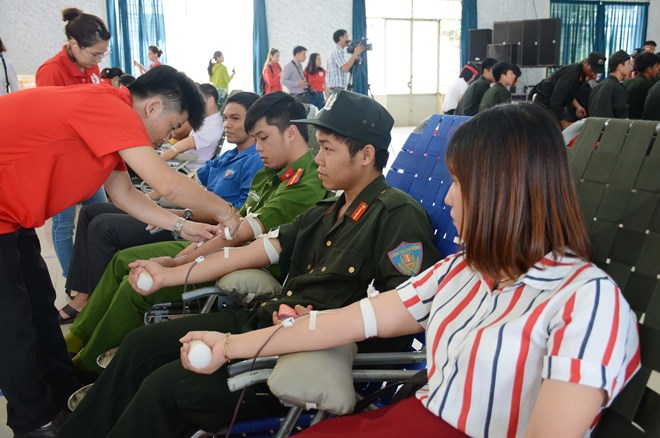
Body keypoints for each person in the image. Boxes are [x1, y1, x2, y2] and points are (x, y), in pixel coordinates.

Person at [180, 103, 640, 437]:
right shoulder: (464, 270)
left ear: (505, 190)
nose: (447, 198)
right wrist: (228, 346)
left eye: (460, 183)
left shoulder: (586, 302)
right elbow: (346, 321)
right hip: (418, 415)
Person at [57, 90, 442, 437]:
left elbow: (404, 310)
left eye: (327, 149)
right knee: (141, 345)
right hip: (268, 319)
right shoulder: (327, 210)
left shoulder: (396, 216)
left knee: (168, 386)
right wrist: (169, 274)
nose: (318, 158)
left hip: (312, 351)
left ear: (366, 155)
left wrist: (323, 323)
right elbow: (250, 252)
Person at [0, 64, 241, 437]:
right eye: (173, 126)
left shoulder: (109, 117)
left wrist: (183, 225)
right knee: (11, 323)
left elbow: (124, 194)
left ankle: (63, 393)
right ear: (153, 107)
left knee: (38, 307)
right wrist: (225, 210)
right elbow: (166, 182)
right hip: (4, 211)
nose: (166, 139)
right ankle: (33, 421)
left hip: (11, 215)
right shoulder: (108, 109)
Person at [62, 92, 328, 374]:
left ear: (290, 133)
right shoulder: (270, 173)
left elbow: (238, 235)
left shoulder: (303, 186)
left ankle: (85, 366)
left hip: (240, 259)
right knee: (123, 262)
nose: (258, 146)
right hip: (219, 246)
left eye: (263, 138)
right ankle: (79, 336)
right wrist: (184, 247)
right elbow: (233, 226)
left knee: (137, 283)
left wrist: (180, 262)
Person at [61, 92, 261, 324]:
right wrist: (151, 198)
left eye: (235, 118)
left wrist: (179, 216)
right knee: (91, 211)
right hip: (183, 215)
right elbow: (192, 181)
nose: (227, 125)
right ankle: (83, 293)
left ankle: (94, 309)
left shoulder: (255, 161)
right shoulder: (228, 156)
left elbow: (235, 215)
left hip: (202, 229)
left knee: (103, 226)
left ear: (254, 122)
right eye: (225, 118)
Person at [35, 7, 111, 311]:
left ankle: (98, 281)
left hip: (89, 159)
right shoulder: (51, 71)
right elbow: (49, 125)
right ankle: (74, 285)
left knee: (103, 216)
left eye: (102, 55)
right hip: (63, 163)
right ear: (74, 44)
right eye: (94, 55)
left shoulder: (89, 68)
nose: (98, 62)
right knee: (64, 226)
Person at [532, 51, 606, 128]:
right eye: (593, 71)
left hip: (553, 106)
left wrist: (577, 107)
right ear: (586, 63)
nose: (594, 75)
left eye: (597, 72)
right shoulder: (572, 74)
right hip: (544, 105)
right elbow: (555, 100)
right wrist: (563, 122)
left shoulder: (581, 74)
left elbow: (567, 93)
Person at [158, 83, 223, 167]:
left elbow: (178, 148)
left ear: (210, 101)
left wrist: (157, 160)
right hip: (185, 160)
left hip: (188, 167)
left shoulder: (213, 127)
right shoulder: (210, 121)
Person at [588, 50, 631, 118]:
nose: (631, 66)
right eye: (628, 63)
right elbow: (621, 118)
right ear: (620, 66)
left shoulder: (598, 86)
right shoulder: (618, 89)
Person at [327, 29, 365, 93]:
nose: (348, 39)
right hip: (336, 90)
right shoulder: (337, 52)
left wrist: (356, 59)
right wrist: (355, 53)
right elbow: (345, 68)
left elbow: (347, 69)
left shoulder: (339, 52)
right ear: (341, 38)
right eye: (346, 37)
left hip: (337, 89)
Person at [624, 52, 660, 119]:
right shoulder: (647, 85)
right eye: (656, 67)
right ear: (649, 69)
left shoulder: (627, 82)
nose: (657, 71)